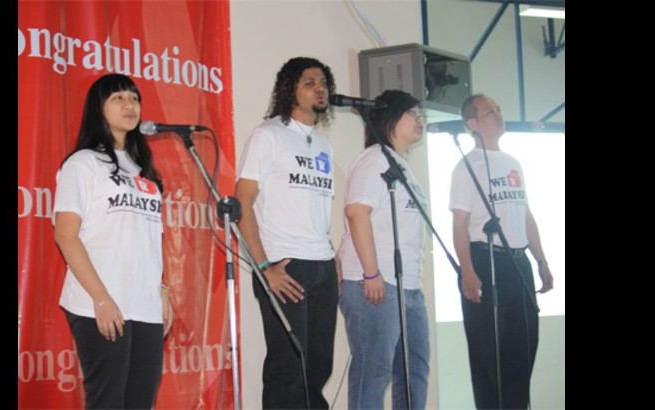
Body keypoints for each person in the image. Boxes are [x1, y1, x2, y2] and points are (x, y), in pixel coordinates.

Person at [53, 73, 173, 409]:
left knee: (140, 401)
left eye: (134, 98)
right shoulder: (83, 163)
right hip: (100, 303)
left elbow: (149, 240)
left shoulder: (143, 171)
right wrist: (101, 298)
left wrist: (162, 290)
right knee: (108, 401)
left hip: (144, 304)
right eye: (118, 98)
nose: (129, 105)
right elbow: (65, 235)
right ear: (98, 109)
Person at [234, 57, 339, 410]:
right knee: (288, 370)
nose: (319, 88)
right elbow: (243, 203)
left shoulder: (323, 145)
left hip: (322, 266)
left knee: (318, 368)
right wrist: (265, 268)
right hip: (285, 265)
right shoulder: (268, 136)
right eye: (310, 82)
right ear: (289, 88)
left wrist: (333, 260)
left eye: (323, 82)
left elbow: (315, 212)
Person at [450, 94, 554, 410]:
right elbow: (460, 223)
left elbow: (525, 214)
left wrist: (541, 260)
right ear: (472, 124)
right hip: (485, 261)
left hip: (518, 264)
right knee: (488, 360)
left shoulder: (513, 163)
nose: (498, 115)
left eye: (499, 109)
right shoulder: (466, 166)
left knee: (521, 351)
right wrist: (467, 268)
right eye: (490, 111)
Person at [337, 89, 431, 410]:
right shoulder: (374, 159)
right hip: (375, 283)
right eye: (413, 114)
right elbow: (356, 212)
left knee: (413, 371)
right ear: (391, 117)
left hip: (408, 287)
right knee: (373, 373)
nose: (421, 121)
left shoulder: (401, 165)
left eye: (422, 116)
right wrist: (371, 272)